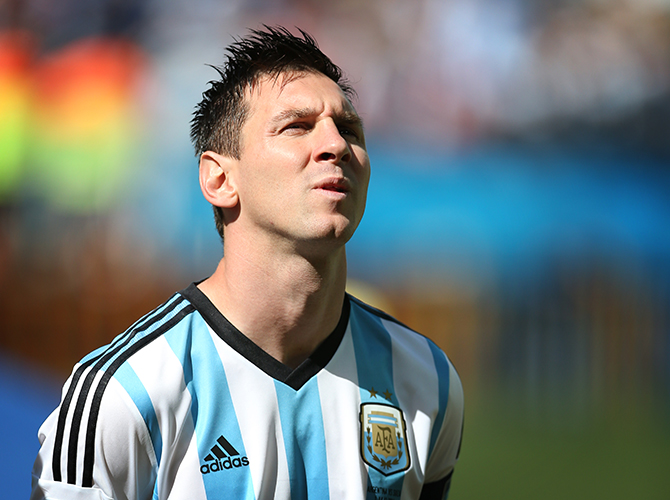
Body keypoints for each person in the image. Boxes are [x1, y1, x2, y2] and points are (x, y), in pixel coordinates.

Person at [30, 26, 464, 500]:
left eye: (349, 129)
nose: (336, 145)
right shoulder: (122, 396)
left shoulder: (427, 381)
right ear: (219, 179)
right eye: (297, 126)